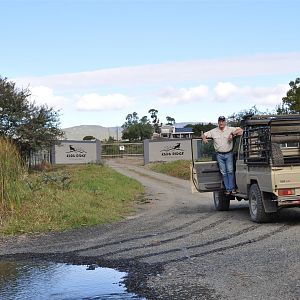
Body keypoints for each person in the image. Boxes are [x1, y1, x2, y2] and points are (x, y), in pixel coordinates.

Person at [202, 116, 243, 195]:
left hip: (228, 154)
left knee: (230, 171)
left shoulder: (230, 129)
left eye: (223, 121)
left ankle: (232, 188)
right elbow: (203, 135)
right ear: (218, 122)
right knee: (224, 173)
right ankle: (228, 189)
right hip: (219, 155)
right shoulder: (213, 131)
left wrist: (232, 134)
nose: (221, 123)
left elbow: (241, 130)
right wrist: (204, 138)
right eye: (220, 121)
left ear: (225, 122)